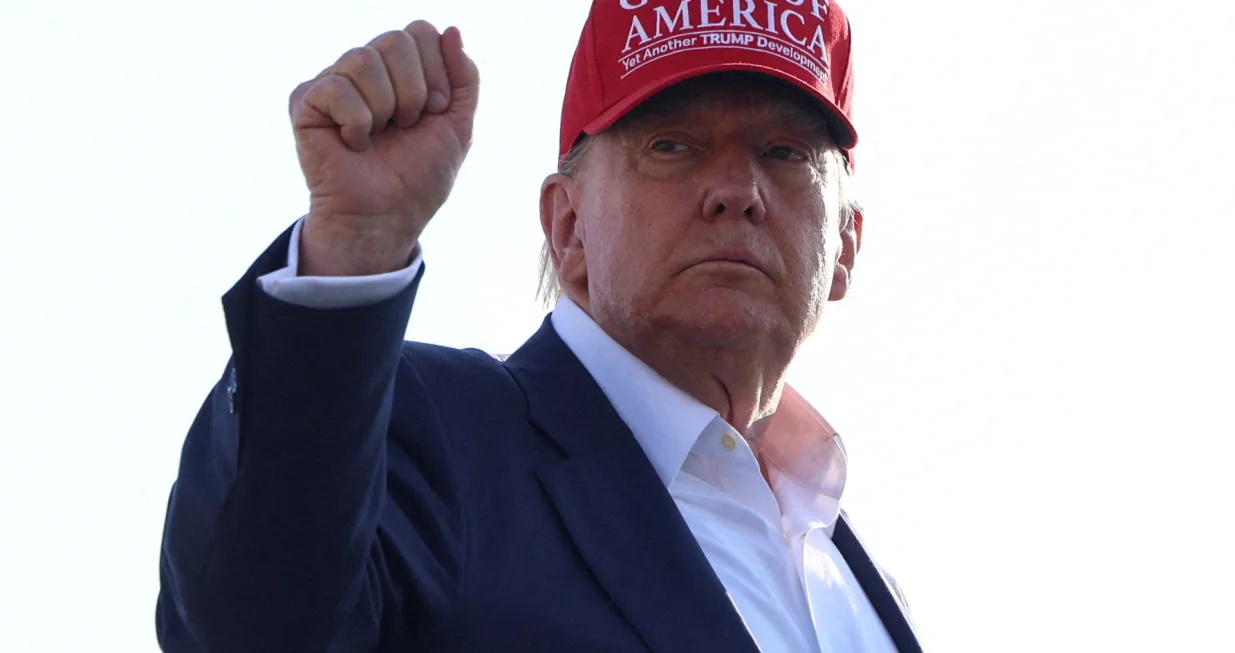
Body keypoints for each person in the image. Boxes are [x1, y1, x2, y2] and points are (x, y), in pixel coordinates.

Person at [155, 1, 922, 651]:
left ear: (845, 246)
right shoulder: (430, 431)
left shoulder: (856, 579)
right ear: (567, 225)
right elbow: (257, 621)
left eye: (784, 152)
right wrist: (353, 248)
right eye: (671, 145)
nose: (733, 189)